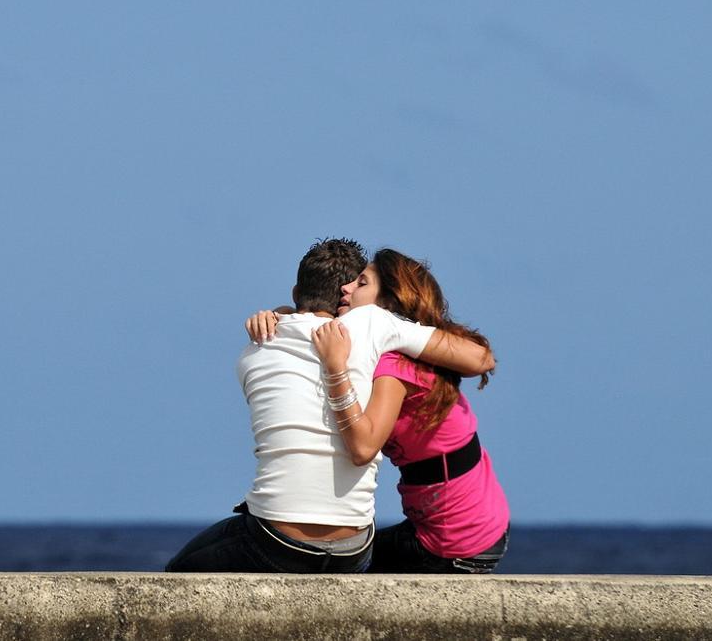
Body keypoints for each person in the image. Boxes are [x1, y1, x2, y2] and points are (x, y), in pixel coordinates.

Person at [165, 239, 494, 573]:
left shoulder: (253, 351)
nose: (352, 288)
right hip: (354, 548)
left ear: (297, 292)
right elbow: (480, 358)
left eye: (362, 283)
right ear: (342, 297)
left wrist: (282, 315)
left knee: (178, 573)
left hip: (277, 540)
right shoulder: (376, 327)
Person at [310, 248, 509, 573]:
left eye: (361, 283)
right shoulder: (404, 355)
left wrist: (335, 372)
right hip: (480, 526)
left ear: (387, 304)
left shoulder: (394, 366)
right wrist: (279, 314)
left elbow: (363, 447)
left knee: (337, 564)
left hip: (456, 541)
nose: (346, 288)